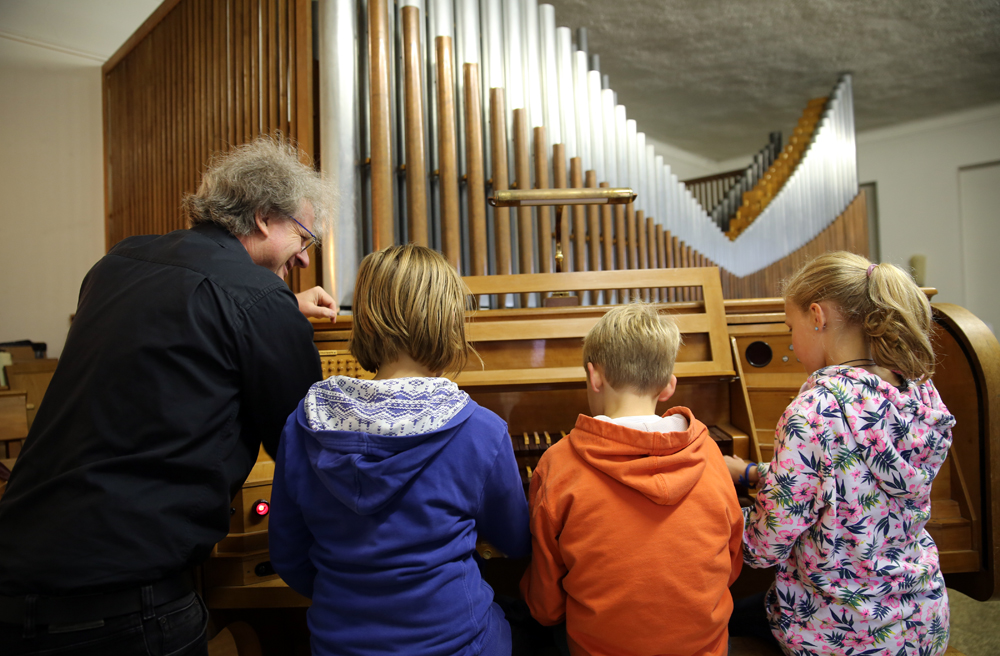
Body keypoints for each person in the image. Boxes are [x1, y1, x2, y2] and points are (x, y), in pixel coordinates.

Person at [0, 136, 336, 655]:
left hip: (17, 578)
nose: (305, 262)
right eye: (305, 238)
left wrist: (278, 311)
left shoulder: (119, 263)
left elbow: (179, 329)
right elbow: (305, 450)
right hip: (124, 604)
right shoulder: (256, 298)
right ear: (267, 217)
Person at [268, 244, 531, 656]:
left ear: (366, 322)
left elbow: (288, 556)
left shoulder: (302, 425)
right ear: (449, 325)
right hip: (457, 645)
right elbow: (515, 542)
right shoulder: (481, 430)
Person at [724, 252, 955, 655]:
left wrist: (707, 506)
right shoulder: (919, 391)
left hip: (840, 632)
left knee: (714, 617)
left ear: (817, 316)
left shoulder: (814, 411)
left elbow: (763, 547)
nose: (791, 341)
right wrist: (756, 473)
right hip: (922, 619)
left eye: (789, 326)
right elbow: (851, 479)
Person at [520, 303, 744, 656]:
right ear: (669, 386)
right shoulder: (710, 455)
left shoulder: (559, 463)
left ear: (594, 376)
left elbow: (547, 607)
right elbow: (729, 566)